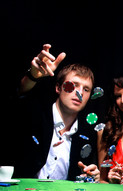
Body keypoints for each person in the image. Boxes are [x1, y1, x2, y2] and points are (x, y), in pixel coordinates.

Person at [13, 44, 100, 181]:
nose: (80, 93)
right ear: (58, 88)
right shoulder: (33, 115)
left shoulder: (87, 135)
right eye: (73, 85)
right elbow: (17, 97)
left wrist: (92, 177)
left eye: (86, 89)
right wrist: (33, 76)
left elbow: (81, 180)